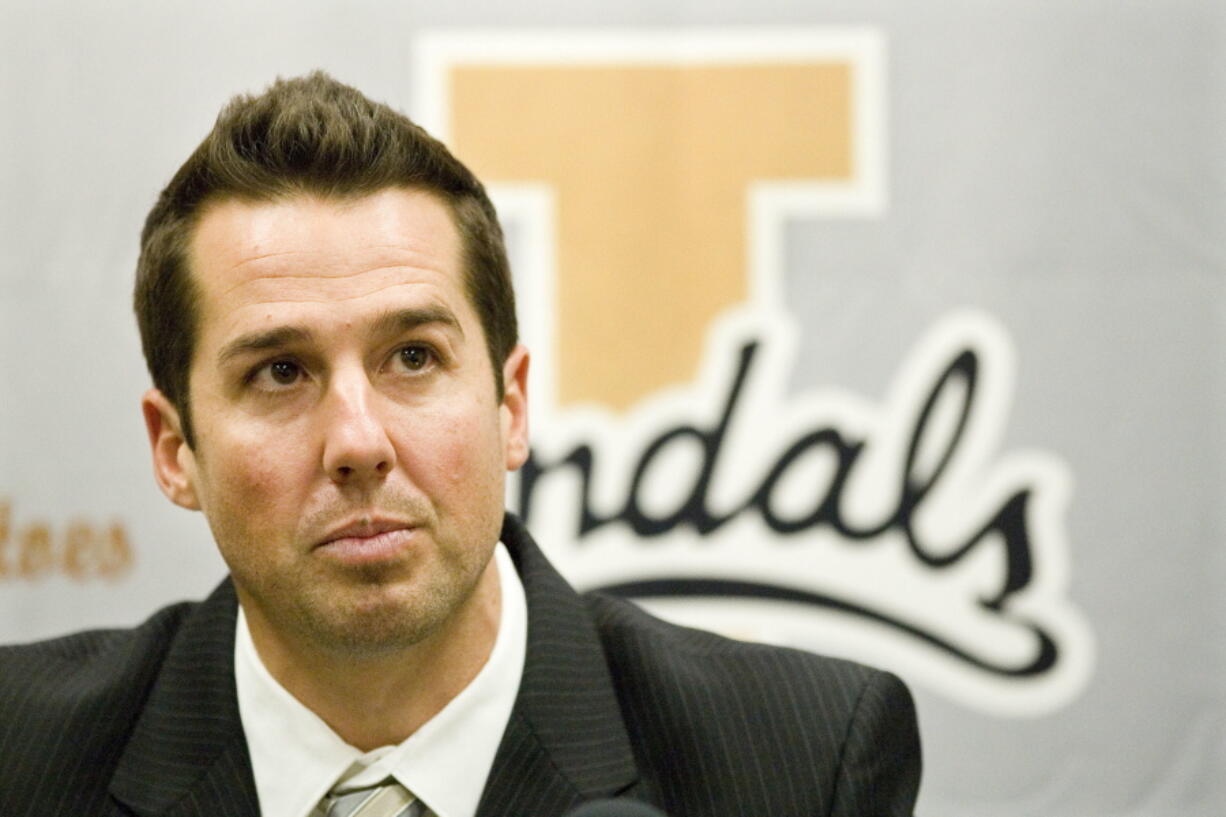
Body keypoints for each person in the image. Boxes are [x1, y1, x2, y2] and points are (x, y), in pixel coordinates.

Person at [0, 72, 921, 817]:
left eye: (412, 356)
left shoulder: (800, 763)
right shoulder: (21, 756)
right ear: (174, 450)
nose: (358, 442)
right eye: (280, 372)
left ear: (510, 406)